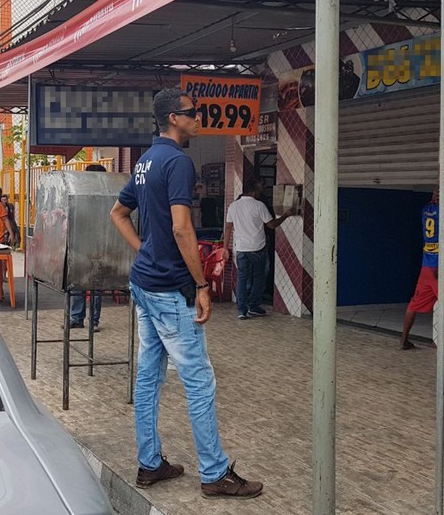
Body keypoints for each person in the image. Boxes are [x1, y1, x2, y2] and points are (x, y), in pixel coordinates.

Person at [110, 88, 262, 500]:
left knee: (149, 377)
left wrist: (143, 250)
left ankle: (150, 464)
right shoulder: (177, 162)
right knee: (199, 381)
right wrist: (200, 285)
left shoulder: (145, 161)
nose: (200, 119)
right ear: (174, 118)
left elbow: (118, 213)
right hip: (169, 289)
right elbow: (181, 228)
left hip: (143, 284)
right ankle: (214, 473)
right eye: (194, 113)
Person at [401, 182, 444, 350]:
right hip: (441, 266)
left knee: (413, 304)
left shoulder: (426, 209)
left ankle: (404, 340)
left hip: (426, 265)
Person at [223, 179, 293, 319]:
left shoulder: (233, 206)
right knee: (259, 277)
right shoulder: (259, 205)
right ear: (253, 191)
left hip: (241, 248)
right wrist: (286, 215)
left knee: (242, 278)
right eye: (259, 190)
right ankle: (254, 306)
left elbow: (228, 227)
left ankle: (241, 311)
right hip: (257, 247)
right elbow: (272, 225)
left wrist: (225, 247)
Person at [70, 164, 108, 330]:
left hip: (99, 246)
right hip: (81, 245)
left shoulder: (107, 196)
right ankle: (77, 318)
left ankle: (93, 321)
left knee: (95, 285)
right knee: (78, 283)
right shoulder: (80, 193)